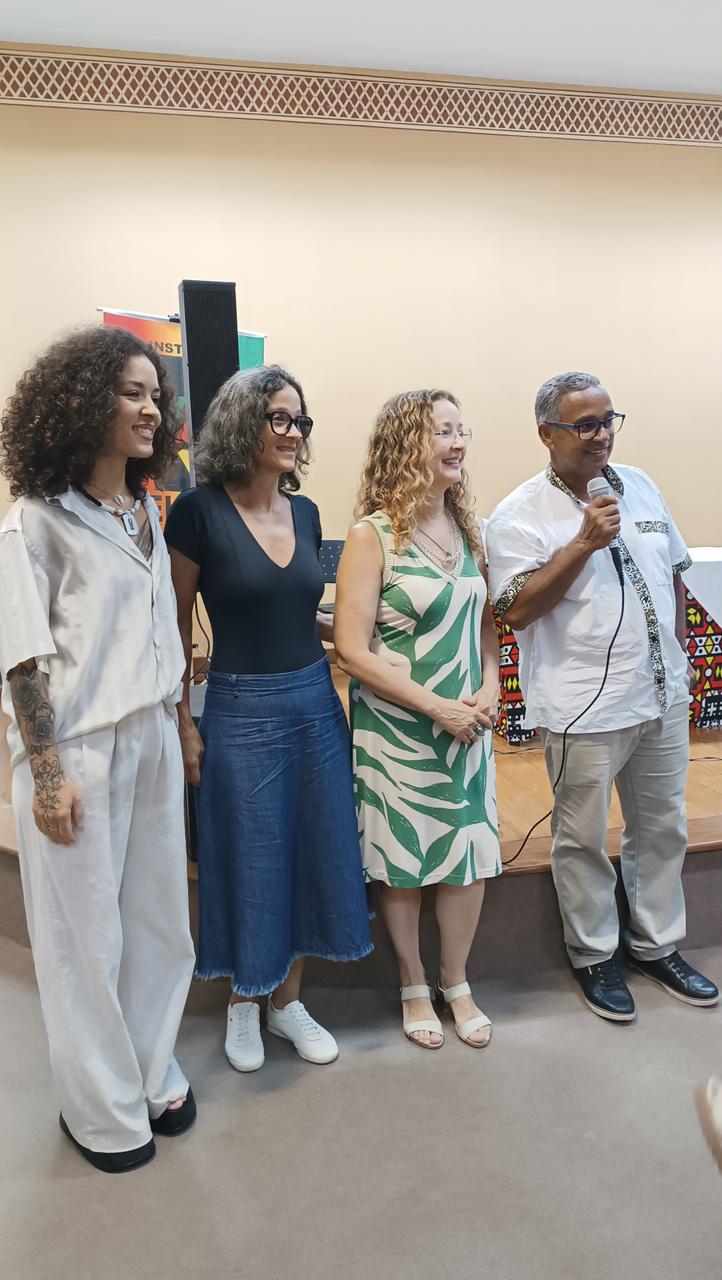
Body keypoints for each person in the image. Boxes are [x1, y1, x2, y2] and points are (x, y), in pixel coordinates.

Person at [0, 327, 197, 1173]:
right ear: (83, 402)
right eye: (130, 392)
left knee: (158, 923)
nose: (150, 408)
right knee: (85, 940)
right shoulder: (36, 520)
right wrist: (46, 775)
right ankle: (101, 1110)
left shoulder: (145, 512)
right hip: (75, 750)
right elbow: (21, 658)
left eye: (155, 393)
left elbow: (161, 635)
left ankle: (151, 1073)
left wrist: (181, 725)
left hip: (150, 734)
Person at [486, 371, 718, 1022]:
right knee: (582, 838)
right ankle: (593, 954)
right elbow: (517, 609)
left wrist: (679, 655)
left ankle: (656, 944)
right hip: (582, 705)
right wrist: (584, 542)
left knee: (663, 828)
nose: (601, 435)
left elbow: (673, 574)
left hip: (660, 696)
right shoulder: (518, 515)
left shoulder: (639, 485)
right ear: (547, 434)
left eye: (608, 420)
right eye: (584, 424)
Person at [165, 365, 371, 1073]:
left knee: (312, 849)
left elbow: (298, 611)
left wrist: (365, 635)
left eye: (300, 420)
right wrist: (183, 723)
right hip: (240, 711)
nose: (293, 432)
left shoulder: (306, 512)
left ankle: (287, 1002)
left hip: (315, 704)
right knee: (251, 856)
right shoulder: (197, 512)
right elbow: (174, 627)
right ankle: (244, 1000)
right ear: (241, 422)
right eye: (279, 418)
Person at [333, 389, 501, 1050]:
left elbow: (487, 625)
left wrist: (489, 684)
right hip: (399, 728)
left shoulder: (469, 529)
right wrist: (437, 708)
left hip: (467, 723)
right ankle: (412, 982)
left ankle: (456, 981)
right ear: (407, 444)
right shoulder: (370, 535)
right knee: (402, 856)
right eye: (442, 432)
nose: (457, 444)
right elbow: (351, 649)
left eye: (462, 431)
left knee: (466, 852)